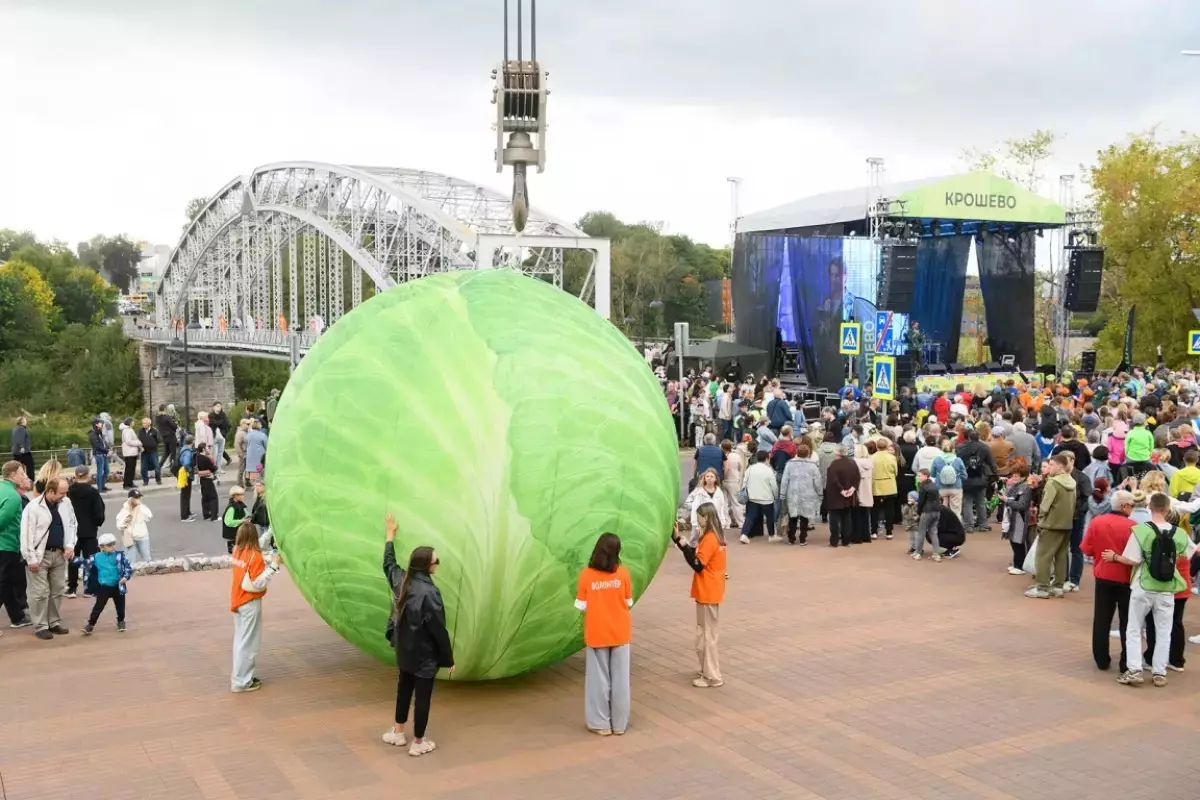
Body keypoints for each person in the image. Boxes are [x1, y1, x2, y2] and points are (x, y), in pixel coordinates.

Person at [1104, 492, 1196, 687]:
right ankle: (1159, 672)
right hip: (1167, 588)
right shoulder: (1179, 533)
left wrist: (1114, 557)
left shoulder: (1140, 530)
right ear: (1168, 509)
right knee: (1164, 630)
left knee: (1134, 628)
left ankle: (1134, 669)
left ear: (1149, 507)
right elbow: (1188, 553)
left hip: (1143, 585)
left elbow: (1132, 560)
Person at [381, 515, 453, 756]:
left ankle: (398, 732)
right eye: (436, 561)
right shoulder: (430, 592)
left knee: (404, 690)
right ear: (428, 566)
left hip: (405, 652)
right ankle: (419, 742)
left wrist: (389, 536)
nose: (438, 563)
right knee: (422, 698)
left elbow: (388, 564)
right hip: (424, 656)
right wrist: (448, 659)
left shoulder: (402, 580)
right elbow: (438, 630)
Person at [574, 533, 633, 736]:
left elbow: (581, 605)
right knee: (621, 680)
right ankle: (619, 724)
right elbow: (629, 602)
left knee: (599, 680)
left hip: (597, 632)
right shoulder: (623, 574)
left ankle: (601, 724)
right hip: (620, 632)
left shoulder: (586, 575)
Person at [671, 504, 727, 688]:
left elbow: (697, 564)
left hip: (708, 591)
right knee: (703, 633)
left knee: (707, 635)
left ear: (706, 518)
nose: (698, 520)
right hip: (708, 590)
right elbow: (697, 555)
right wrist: (681, 542)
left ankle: (712, 676)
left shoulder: (710, 539)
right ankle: (707, 669)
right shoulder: (712, 537)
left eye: (700, 517)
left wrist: (681, 543)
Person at [1081, 489, 1135, 673]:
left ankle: (1101, 659)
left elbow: (1086, 549)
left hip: (1103, 575)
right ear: (1125, 506)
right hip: (1126, 577)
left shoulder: (1097, 522)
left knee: (1102, 619)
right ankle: (1126, 662)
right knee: (1127, 621)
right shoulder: (1133, 526)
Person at [19, 476, 77, 639]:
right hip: (39, 555)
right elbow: (26, 535)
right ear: (50, 491)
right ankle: (41, 625)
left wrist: (70, 545)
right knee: (39, 592)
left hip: (59, 553)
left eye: (66, 492)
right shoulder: (33, 508)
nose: (64, 496)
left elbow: (72, 524)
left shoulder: (66, 503)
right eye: (61, 493)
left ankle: (54, 622)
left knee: (58, 588)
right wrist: (30, 558)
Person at [230, 520, 281, 693]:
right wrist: (274, 566)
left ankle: (241, 677)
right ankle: (242, 681)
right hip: (250, 602)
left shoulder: (238, 550)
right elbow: (258, 582)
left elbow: (260, 543)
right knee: (248, 644)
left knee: (240, 641)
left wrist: (271, 530)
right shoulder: (255, 556)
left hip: (237, 600)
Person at [1028, 454, 1076, 599]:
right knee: (1061, 557)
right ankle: (1058, 587)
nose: (1049, 468)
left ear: (1060, 466)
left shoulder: (1053, 483)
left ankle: (1042, 587)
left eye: (1052, 465)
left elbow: (1045, 506)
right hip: (1066, 524)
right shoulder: (1072, 481)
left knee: (1043, 557)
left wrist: (1041, 520)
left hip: (1051, 525)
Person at [79, 532, 133, 635]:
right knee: (98, 607)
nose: (112, 547)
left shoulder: (119, 556)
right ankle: (90, 624)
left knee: (120, 606)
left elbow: (128, 568)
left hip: (118, 585)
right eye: (109, 545)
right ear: (101, 547)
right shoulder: (96, 557)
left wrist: (125, 577)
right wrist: (72, 558)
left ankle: (121, 621)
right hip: (104, 586)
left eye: (113, 544)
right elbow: (84, 563)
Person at [66, 465, 105, 598]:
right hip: (89, 531)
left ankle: (72, 588)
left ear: (76, 475)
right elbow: (99, 513)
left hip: (72, 532)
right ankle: (89, 588)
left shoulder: (69, 491)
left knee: (73, 560)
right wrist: (97, 523)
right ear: (88, 475)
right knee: (90, 560)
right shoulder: (93, 492)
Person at [0, 461, 31, 629]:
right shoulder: (13, 496)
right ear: (13, 475)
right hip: (7, 545)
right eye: (21, 473)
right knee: (4, 583)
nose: (24, 477)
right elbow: (2, 521)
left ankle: (17, 617)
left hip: (6, 545)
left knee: (10, 583)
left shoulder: (2, 489)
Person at [780, 442, 822, 545]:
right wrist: (820, 493)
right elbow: (817, 481)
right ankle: (803, 539)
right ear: (808, 453)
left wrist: (782, 493)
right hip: (808, 493)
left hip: (793, 493)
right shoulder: (813, 465)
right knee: (805, 517)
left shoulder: (789, 464)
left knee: (793, 516)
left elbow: (785, 480)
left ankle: (791, 538)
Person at [1000, 462, 1034, 575]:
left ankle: (1020, 566)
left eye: (1017, 476)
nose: (1014, 478)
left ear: (1023, 476)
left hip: (1020, 517)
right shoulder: (1016, 485)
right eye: (1013, 475)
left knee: (1018, 541)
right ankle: (1016, 564)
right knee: (1013, 540)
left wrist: (1007, 500)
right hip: (1013, 516)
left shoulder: (1026, 487)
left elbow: (1022, 504)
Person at [739, 450, 778, 544]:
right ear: (766, 459)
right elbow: (773, 485)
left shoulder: (750, 468)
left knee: (750, 517)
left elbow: (744, 482)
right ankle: (771, 535)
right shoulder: (769, 470)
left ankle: (744, 534)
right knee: (770, 517)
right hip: (767, 498)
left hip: (752, 497)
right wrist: (775, 496)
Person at [824, 445, 860, 547]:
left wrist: (841, 490)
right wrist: (852, 489)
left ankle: (834, 541)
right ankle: (846, 540)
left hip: (835, 496)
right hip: (849, 496)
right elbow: (857, 477)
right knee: (846, 519)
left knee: (834, 519)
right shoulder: (852, 463)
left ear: (838, 453)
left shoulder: (834, 465)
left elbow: (833, 480)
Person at [116, 489, 153, 565]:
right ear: (130, 499)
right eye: (135, 498)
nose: (138, 499)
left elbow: (149, 517)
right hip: (130, 538)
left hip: (142, 536)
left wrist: (140, 507)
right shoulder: (124, 510)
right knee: (130, 561)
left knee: (147, 559)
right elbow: (119, 525)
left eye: (139, 497)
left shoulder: (142, 508)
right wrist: (126, 521)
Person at [931, 439, 966, 521]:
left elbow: (932, 474)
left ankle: (942, 527)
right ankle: (956, 528)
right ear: (953, 448)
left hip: (941, 488)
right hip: (956, 487)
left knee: (942, 509)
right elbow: (964, 475)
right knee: (956, 510)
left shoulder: (937, 459)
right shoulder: (958, 460)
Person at [872, 438, 899, 541]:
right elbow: (895, 471)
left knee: (875, 510)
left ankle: (874, 531)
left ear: (877, 447)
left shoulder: (872, 457)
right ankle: (889, 531)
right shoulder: (891, 457)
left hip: (876, 485)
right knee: (889, 510)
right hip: (889, 485)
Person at [913, 468, 942, 562]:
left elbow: (921, 501)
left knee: (921, 531)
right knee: (933, 532)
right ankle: (936, 554)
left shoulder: (922, 486)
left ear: (926, 476)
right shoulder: (934, 485)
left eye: (920, 476)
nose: (918, 477)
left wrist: (918, 512)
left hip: (927, 511)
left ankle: (918, 553)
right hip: (937, 510)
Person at [195, 443, 219, 521]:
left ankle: (206, 514)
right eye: (207, 448)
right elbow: (213, 468)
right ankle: (214, 516)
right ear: (203, 449)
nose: (208, 449)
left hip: (202, 479)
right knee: (213, 497)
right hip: (208, 478)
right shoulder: (206, 459)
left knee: (205, 497)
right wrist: (210, 456)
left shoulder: (197, 457)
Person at [222, 486, 249, 554]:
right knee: (235, 554)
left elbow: (246, 514)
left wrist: (248, 517)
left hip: (239, 534)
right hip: (233, 535)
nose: (243, 496)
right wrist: (241, 521)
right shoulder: (231, 508)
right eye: (241, 495)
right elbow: (228, 522)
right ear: (235, 496)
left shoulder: (240, 504)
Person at [155, 404, 179, 476]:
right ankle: (173, 469)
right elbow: (174, 426)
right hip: (171, 436)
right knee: (173, 453)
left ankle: (159, 466)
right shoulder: (167, 417)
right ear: (165, 409)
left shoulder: (157, 417)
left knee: (166, 452)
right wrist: (176, 423)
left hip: (164, 437)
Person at [88, 417, 111, 493]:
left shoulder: (98, 432)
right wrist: (107, 451)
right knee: (100, 471)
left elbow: (103, 442)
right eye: (101, 423)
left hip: (103, 454)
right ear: (96, 424)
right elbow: (97, 446)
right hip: (99, 454)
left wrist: (108, 448)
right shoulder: (92, 434)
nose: (102, 424)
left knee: (107, 470)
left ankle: (103, 485)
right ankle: (99, 487)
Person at [10, 415, 34, 482]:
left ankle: (17, 481)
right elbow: (20, 439)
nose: (26, 421)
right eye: (25, 420)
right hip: (24, 452)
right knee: (30, 467)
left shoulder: (15, 429)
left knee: (17, 468)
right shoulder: (21, 429)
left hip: (16, 452)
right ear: (22, 421)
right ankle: (30, 482)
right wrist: (22, 447)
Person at [210, 402, 232, 469]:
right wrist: (220, 423)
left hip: (222, 435)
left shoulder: (223, 415)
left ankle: (219, 467)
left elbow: (227, 424)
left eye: (220, 406)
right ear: (213, 407)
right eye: (217, 406)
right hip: (214, 436)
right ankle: (215, 467)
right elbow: (212, 423)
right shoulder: (211, 415)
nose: (219, 407)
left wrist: (223, 432)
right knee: (215, 453)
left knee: (220, 451)